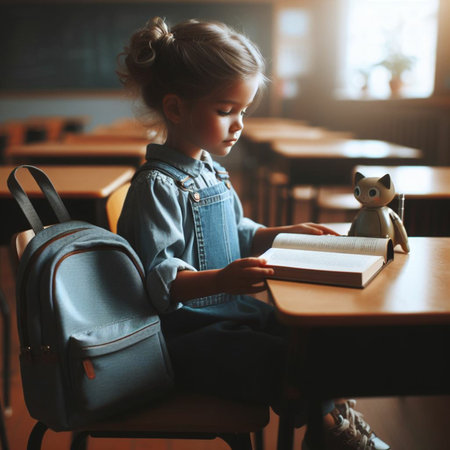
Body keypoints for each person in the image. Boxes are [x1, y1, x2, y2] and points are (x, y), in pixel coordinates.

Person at [116, 16, 390, 450]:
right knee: (280, 361)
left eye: (242, 111)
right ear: (175, 109)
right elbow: (158, 281)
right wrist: (222, 281)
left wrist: (278, 234)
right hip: (184, 339)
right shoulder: (157, 186)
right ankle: (332, 431)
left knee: (311, 340)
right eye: (225, 111)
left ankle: (333, 423)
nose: (239, 124)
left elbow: (236, 231)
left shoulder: (211, 171)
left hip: (229, 317)